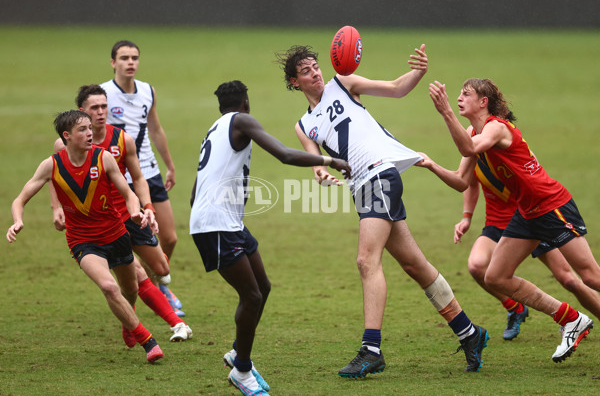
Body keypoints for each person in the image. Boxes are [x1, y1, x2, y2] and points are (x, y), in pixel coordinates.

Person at [276, 44, 488, 376]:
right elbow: (314, 157)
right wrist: (319, 171)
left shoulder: (343, 83)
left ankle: (371, 350)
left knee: (366, 260)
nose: (315, 73)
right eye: (306, 71)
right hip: (360, 186)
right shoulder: (303, 126)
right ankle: (470, 333)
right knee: (414, 264)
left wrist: (418, 71)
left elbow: (394, 88)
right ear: (294, 83)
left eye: (316, 66)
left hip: (379, 174)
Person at [190, 80, 350, 395]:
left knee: (262, 287)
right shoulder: (242, 121)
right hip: (217, 224)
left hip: (227, 222)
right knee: (251, 296)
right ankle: (242, 371)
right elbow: (284, 155)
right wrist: (329, 160)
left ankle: (238, 352)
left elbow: (196, 189)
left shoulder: (215, 128)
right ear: (245, 102)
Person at [428, 77, 596, 362]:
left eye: (465, 94)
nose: (459, 97)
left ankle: (573, 320)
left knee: (588, 276)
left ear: (483, 102)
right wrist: (430, 164)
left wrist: (445, 112)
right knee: (495, 276)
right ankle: (571, 320)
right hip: (527, 212)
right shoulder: (473, 130)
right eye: (458, 94)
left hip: (551, 205)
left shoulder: (495, 127)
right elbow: (460, 182)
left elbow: (469, 148)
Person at [7, 110, 163, 363]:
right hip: (83, 241)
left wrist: (135, 211)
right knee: (109, 287)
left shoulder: (104, 158)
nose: (90, 133)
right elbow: (20, 198)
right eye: (83, 129)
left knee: (129, 291)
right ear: (66, 136)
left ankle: (128, 319)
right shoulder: (52, 165)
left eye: (90, 128)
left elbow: (128, 192)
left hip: (116, 234)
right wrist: (17, 220)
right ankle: (149, 341)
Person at [50, 85, 192, 343]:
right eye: (95, 108)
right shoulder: (65, 143)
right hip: (100, 220)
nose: (102, 112)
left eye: (105, 106)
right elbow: (55, 174)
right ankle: (170, 324)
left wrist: (146, 207)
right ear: (82, 112)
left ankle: (132, 306)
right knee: (135, 273)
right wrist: (56, 207)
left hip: (128, 213)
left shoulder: (121, 139)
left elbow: (137, 179)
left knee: (160, 267)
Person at [416, 150, 600, 340]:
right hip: (498, 222)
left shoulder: (502, 138)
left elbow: (535, 176)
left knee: (569, 279)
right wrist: (467, 217)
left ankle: (580, 320)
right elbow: (468, 181)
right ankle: (515, 308)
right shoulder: (471, 141)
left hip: (532, 218)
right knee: (477, 267)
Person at [100, 40, 184, 316]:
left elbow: (156, 129)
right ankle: (147, 288)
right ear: (113, 62)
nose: (130, 62)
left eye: (134, 57)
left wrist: (169, 164)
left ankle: (155, 284)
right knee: (127, 239)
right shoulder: (103, 94)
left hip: (148, 171)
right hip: (117, 177)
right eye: (124, 58)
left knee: (169, 237)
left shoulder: (148, 91)